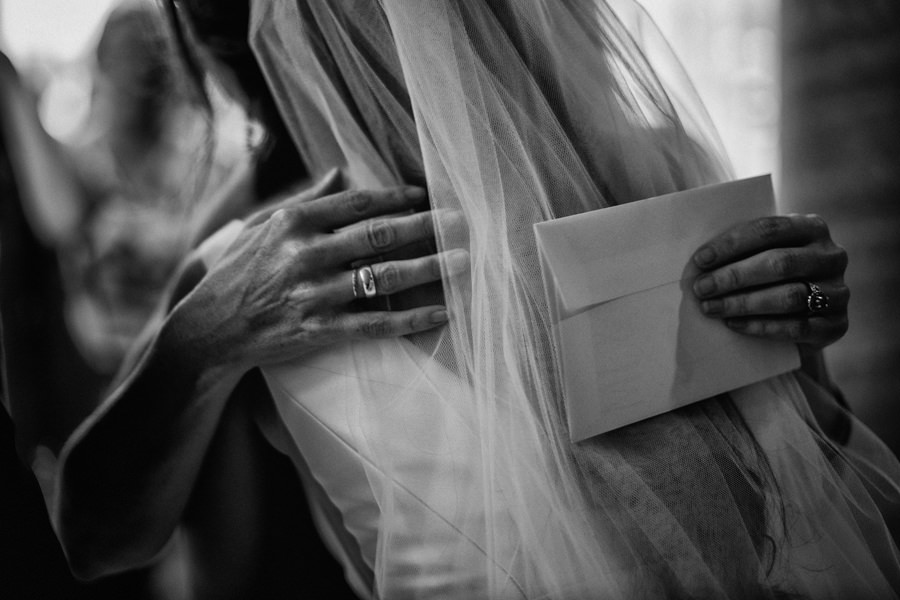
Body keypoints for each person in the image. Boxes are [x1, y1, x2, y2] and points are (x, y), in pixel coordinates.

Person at [54, 1, 900, 598]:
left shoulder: (649, 172)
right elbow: (101, 539)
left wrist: (798, 336)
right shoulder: (261, 262)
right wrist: (203, 338)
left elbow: (815, 479)